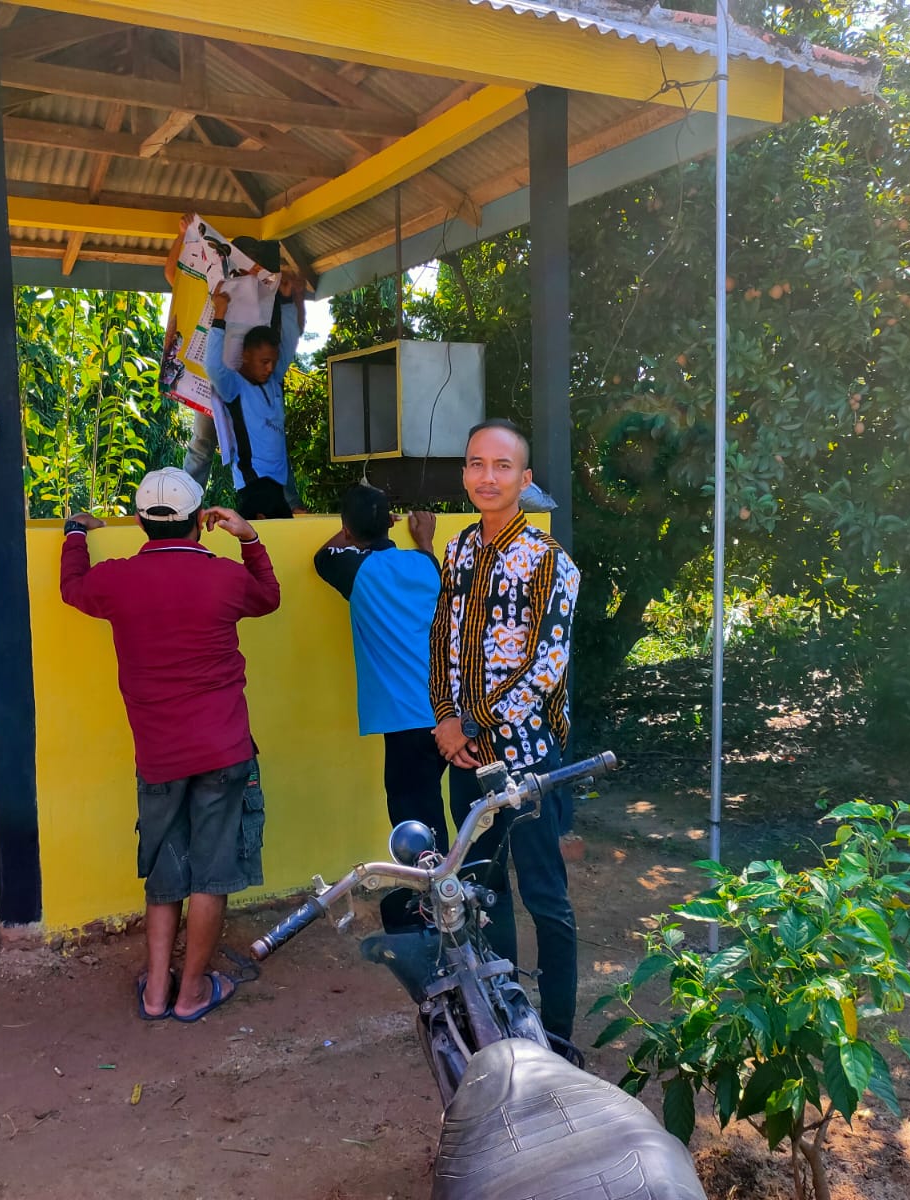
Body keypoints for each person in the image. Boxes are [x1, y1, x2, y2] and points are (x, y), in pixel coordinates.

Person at [60, 467, 279, 1022]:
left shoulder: (118, 579)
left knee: (166, 871)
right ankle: (193, 993)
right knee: (211, 872)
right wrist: (249, 538)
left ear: (140, 523)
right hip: (225, 750)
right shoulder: (225, 577)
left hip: (157, 756)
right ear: (199, 523)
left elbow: (72, 588)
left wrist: (76, 533)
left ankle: (156, 991)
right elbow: (269, 598)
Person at [429, 418, 582, 1043]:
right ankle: (508, 1026)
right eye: (475, 464)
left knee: (545, 896)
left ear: (525, 479)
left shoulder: (550, 562)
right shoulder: (460, 547)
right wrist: (444, 718)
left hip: (527, 758)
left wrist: (472, 724)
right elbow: (441, 637)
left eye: (500, 466)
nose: (485, 477)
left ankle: (559, 1036)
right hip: (463, 756)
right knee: (480, 893)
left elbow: (545, 667)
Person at [314, 485, 448, 930]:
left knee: (414, 818)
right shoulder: (424, 564)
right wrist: (424, 537)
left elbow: (321, 555)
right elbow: (428, 562)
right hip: (444, 708)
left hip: (403, 716)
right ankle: (436, 896)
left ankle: (434, 906)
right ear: (392, 522)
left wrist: (350, 531)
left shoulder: (355, 570)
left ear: (349, 529)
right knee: (428, 806)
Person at [165, 220, 304, 513]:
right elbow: (174, 275)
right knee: (202, 444)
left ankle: (292, 504)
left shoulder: (268, 291)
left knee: (271, 439)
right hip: (216, 382)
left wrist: (292, 300)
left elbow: (289, 340)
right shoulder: (214, 281)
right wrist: (184, 237)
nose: (252, 268)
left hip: (253, 382)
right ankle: (184, 509)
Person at [205, 275, 304, 521]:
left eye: (273, 361)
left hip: (278, 484)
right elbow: (212, 366)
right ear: (246, 356)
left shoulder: (273, 382)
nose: (270, 368)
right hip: (253, 484)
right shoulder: (234, 387)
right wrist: (219, 315)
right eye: (264, 362)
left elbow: (290, 345)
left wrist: (287, 301)